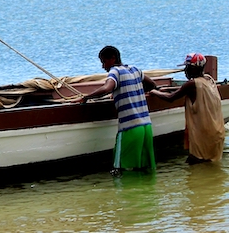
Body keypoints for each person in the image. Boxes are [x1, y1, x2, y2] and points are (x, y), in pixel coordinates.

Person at [79, 45, 158, 175]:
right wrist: (134, 93)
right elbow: (152, 85)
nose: (103, 66)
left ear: (113, 58)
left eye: (104, 61)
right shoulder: (135, 69)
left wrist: (86, 97)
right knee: (145, 170)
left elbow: (107, 88)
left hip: (130, 129)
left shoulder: (115, 72)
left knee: (122, 171)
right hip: (146, 128)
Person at [149, 53, 225, 163]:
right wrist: (167, 89)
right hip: (216, 132)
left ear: (194, 68)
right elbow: (183, 90)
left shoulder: (192, 84)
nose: (186, 71)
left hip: (203, 136)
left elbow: (171, 98)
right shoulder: (209, 79)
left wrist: (154, 92)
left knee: (196, 164)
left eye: (188, 68)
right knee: (209, 164)